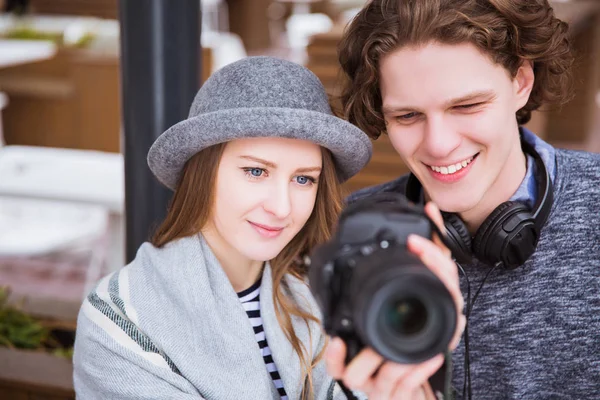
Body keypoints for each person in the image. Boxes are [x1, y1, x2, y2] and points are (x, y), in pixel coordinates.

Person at [72, 56, 463, 400]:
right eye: (256, 171)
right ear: (202, 173)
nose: (281, 207)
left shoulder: (327, 293)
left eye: (304, 179)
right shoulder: (121, 321)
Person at [331, 0, 600, 399]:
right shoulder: (345, 235)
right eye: (407, 116)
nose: (439, 145)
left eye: (467, 105)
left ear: (520, 82)